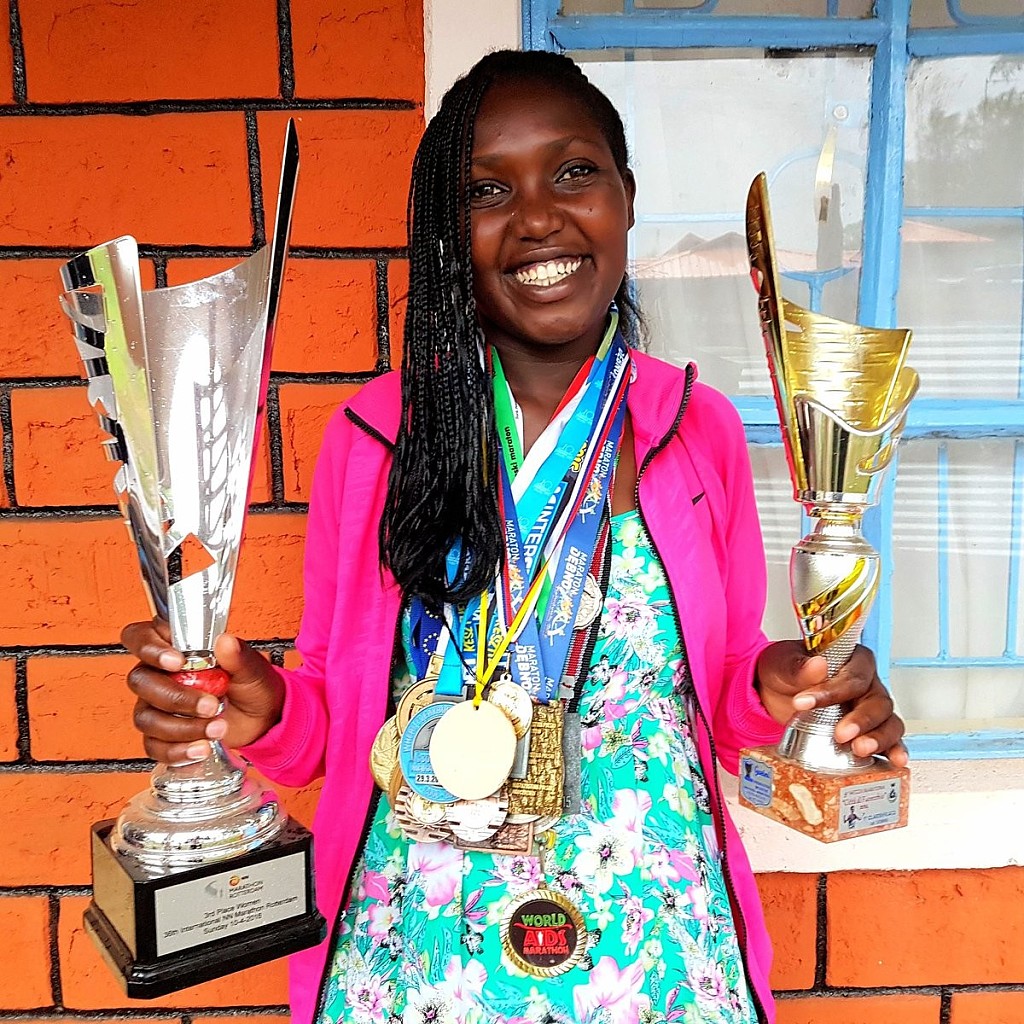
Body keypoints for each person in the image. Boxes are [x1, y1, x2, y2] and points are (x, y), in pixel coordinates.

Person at [123, 50, 908, 1024]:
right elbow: (329, 725)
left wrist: (792, 687)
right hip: (418, 962)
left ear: (626, 197)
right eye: (487, 190)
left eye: (574, 171)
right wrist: (260, 707)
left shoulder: (693, 427)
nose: (538, 216)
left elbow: (724, 690)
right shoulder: (374, 438)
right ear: (447, 234)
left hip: (658, 960)